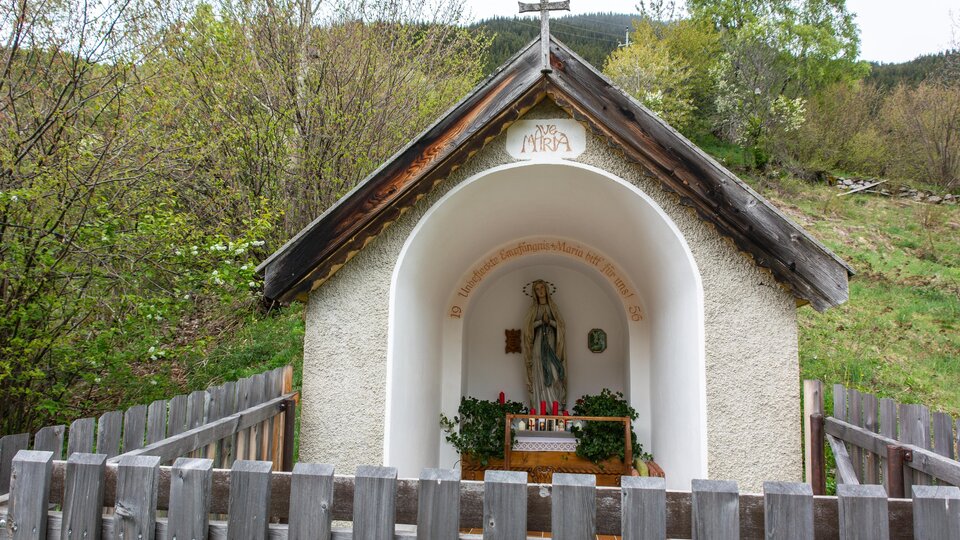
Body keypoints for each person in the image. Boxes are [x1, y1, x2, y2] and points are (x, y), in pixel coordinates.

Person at [522, 279, 567, 410]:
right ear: (534, 292)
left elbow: (561, 327)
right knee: (539, 370)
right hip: (538, 343)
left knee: (554, 372)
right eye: (537, 289)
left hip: (552, 342)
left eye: (542, 288)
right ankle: (539, 405)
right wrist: (540, 322)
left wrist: (551, 322)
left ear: (546, 289)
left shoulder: (553, 308)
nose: (540, 291)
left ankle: (555, 405)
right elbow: (527, 329)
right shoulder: (533, 309)